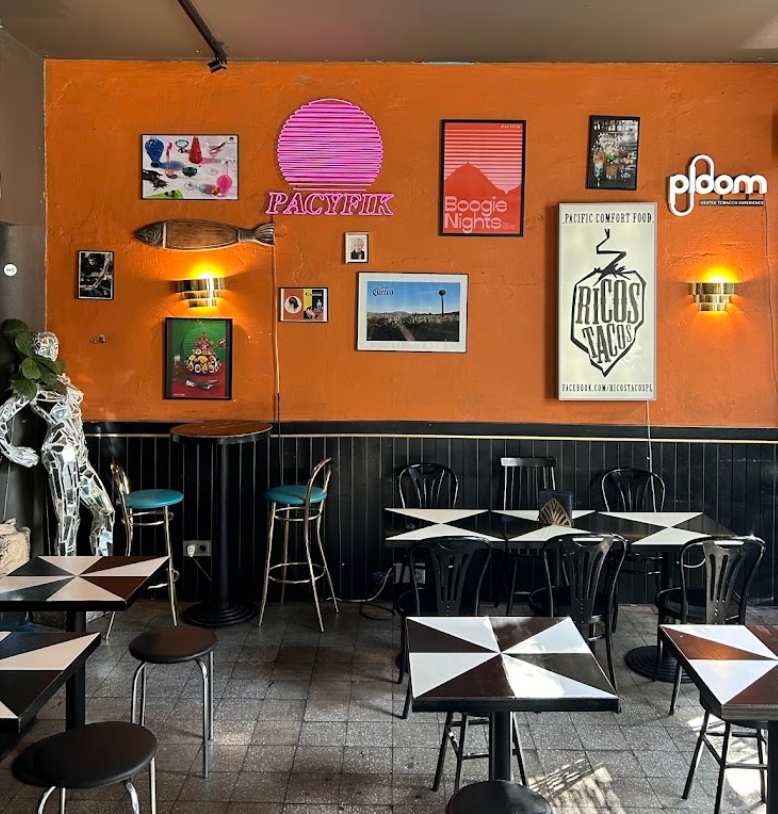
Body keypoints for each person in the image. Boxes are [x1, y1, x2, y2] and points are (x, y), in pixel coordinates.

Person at [0, 330, 114, 556]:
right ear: (34, 350)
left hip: (79, 452)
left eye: (54, 345)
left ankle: (102, 567)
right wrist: (11, 450)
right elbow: (3, 413)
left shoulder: (59, 379)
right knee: (69, 518)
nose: (50, 350)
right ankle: (64, 571)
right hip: (61, 449)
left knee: (105, 511)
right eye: (44, 346)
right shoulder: (31, 384)